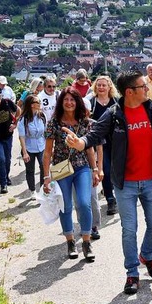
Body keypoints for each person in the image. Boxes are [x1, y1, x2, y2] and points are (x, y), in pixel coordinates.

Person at [64, 70, 152, 295]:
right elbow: (94, 134)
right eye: (142, 87)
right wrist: (80, 143)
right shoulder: (114, 113)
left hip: (151, 181)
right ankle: (132, 272)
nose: (147, 89)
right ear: (129, 92)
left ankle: (146, 256)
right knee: (129, 229)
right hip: (125, 183)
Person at [42, 87, 100, 261]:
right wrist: (46, 177)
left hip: (82, 167)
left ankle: (86, 241)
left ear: (78, 102)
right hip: (61, 168)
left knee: (84, 203)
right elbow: (47, 152)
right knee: (65, 205)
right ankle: (70, 241)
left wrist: (95, 169)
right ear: (61, 102)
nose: (69, 103)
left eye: (72, 100)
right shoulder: (54, 123)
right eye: (66, 100)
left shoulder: (84, 122)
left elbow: (89, 147)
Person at [87, 75, 119, 216]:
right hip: (100, 142)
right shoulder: (91, 102)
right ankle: (110, 199)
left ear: (109, 87)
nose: (101, 87)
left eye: (103, 85)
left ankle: (118, 193)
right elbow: (85, 118)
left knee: (117, 169)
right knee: (104, 169)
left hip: (117, 140)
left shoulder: (116, 102)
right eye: (98, 85)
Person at [18, 94, 46, 199]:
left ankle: (43, 188)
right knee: (30, 170)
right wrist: (24, 152)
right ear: (31, 105)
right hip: (29, 147)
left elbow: (46, 132)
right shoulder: (23, 119)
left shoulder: (42, 116)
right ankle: (32, 190)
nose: (39, 104)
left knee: (44, 166)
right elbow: (22, 137)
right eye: (37, 102)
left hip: (41, 145)